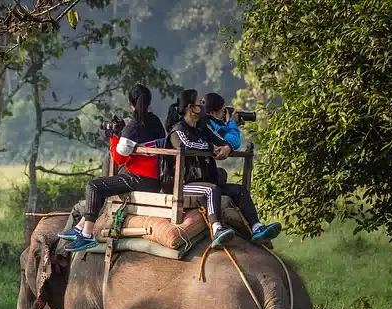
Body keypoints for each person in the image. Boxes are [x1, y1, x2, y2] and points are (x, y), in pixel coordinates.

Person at [58, 84, 166, 252]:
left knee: (94, 186)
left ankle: (87, 235)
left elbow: (119, 158)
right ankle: (80, 227)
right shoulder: (156, 122)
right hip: (156, 178)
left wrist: (114, 137)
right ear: (149, 101)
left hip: (141, 179)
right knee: (108, 184)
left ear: (130, 102)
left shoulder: (133, 126)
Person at [168, 89, 281, 247]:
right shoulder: (178, 130)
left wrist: (227, 148)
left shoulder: (203, 127)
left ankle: (256, 228)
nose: (203, 105)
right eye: (199, 103)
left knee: (239, 190)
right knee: (212, 189)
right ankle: (217, 229)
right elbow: (185, 145)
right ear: (190, 107)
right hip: (186, 184)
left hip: (206, 179)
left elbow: (221, 140)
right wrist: (210, 147)